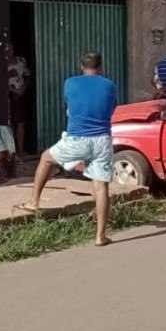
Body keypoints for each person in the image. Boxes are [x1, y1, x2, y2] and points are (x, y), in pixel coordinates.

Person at [19, 52, 117, 246]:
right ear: (101, 67)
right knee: (101, 186)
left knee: (46, 158)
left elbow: (70, 106)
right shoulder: (109, 85)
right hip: (102, 140)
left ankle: (34, 202)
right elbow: (111, 108)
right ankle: (100, 236)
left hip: (77, 138)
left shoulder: (70, 83)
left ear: (82, 66)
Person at [6, 44, 31, 157]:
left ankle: (20, 151)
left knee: (21, 123)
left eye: (10, 48)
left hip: (20, 94)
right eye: (6, 49)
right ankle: (11, 151)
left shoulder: (21, 61)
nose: (8, 51)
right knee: (9, 124)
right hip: (8, 95)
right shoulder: (0, 62)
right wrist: (12, 90)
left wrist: (23, 88)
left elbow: (27, 76)